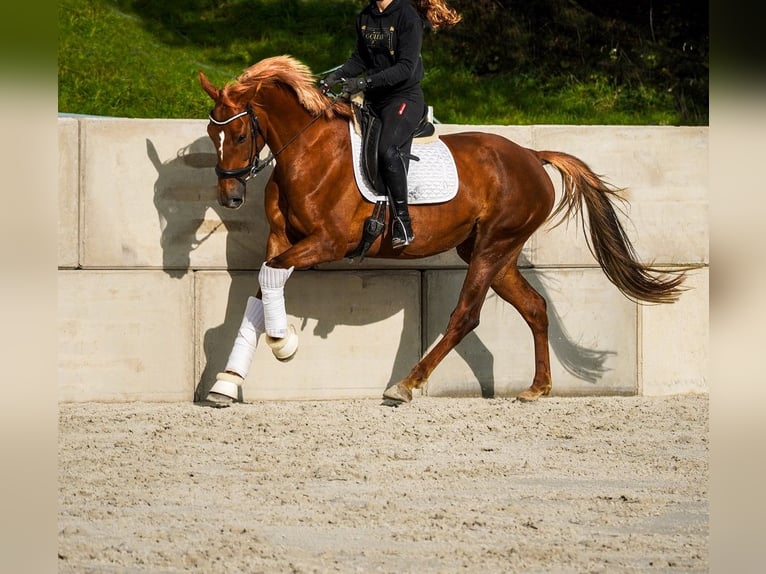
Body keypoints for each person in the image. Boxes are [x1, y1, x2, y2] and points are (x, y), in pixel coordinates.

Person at [320, 0, 462, 248]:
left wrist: (364, 84)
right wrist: (334, 77)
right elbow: (359, 59)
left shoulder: (407, 16)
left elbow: (406, 68)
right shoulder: (365, 16)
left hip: (404, 98)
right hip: (373, 100)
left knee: (388, 150)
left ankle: (403, 223)